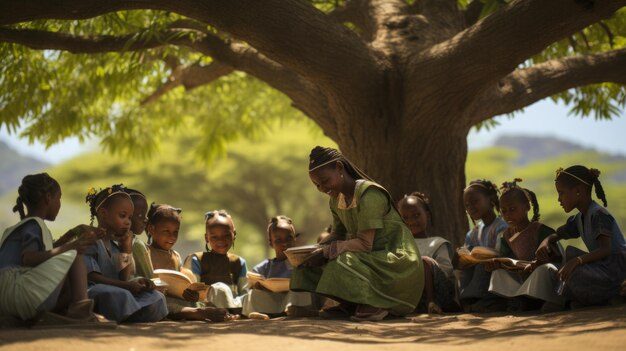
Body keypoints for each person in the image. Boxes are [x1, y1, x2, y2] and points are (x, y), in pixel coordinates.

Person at [291, 146, 423, 322]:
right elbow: (337, 234)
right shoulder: (335, 200)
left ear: (339, 168)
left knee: (340, 260)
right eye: (317, 185)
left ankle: (377, 303)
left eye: (324, 181)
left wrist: (325, 251)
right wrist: (309, 252)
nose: (321, 188)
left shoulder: (369, 195)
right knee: (307, 264)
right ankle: (350, 304)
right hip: (368, 259)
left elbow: (365, 244)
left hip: (395, 263)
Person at [0, 173, 104, 323]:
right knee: (74, 255)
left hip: (6, 297)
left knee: (69, 272)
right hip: (19, 293)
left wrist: (72, 233)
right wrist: (72, 246)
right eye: (59, 197)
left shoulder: (23, 226)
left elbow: (46, 254)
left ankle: (59, 313)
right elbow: (29, 258)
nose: (60, 203)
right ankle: (81, 311)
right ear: (48, 198)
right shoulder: (34, 224)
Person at [536, 166, 626, 307]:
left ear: (578, 191)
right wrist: (545, 242)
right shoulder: (579, 218)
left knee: (574, 271)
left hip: (617, 269)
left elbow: (606, 250)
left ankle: (616, 294)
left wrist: (576, 261)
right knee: (570, 252)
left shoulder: (598, 214)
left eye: (561, 193)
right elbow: (557, 235)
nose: (559, 199)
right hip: (603, 267)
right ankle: (581, 299)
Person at [84, 184, 168, 323]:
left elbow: (123, 278)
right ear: (104, 214)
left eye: (130, 217)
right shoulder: (91, 240)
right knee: (119, 295)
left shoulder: (116, 245)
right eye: (122, 216)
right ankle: (133, 313)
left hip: (120, 289)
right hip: (94, 291)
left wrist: (126, 249)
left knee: (156, 297)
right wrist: (126, 286)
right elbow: (92, 276)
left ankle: (129, 313)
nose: (128, 222)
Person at [147, 204, 236, 322]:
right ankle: (198, 313)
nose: (171, 237)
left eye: (175, 232)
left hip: (176, 300)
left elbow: (179, 284)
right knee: (159, 300)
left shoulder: (176, 256)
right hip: (158, 298)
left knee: (201, 302)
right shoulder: (146, 252)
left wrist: (190, 293)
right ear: (151, 229)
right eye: (166, 231)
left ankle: (201, 311)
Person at [485, 179, 563, 312]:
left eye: (512, 209)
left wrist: (538, 263)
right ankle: (521, 299)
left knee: (544, 270)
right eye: (503, 211)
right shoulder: (506, 236)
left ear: (527, 206)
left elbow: (558, 257)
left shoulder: (540, 230)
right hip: (523, 275)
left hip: (540, 274)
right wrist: (497, 264)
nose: (508, 214)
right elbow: (507, 260)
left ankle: (536, 300)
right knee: (498, 273)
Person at [242, 215, 315, 318]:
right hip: (272, 300)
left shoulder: (302, 262)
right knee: (253, 294)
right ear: (271, 243)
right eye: (278, 240)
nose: (284, 243)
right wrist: (257, 286)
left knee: (299, 293)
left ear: (294, 239)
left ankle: (294, 311)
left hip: (292, 300)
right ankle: (263, 314)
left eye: (288, 238)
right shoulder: (264, 267)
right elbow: (250, 285)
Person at [398, 192, 459, 314]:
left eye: (416, 215)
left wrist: (425, 267)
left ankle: (432, 304)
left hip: (439, 293)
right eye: (405, 218)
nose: (411, 221)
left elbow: (446, 272)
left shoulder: (438, 243)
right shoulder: (399, 245)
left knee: (424, 261)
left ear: (427, 215)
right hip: (411, 293)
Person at [457, 179, 508, 312]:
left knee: (482, 266)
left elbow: (502, 251)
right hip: (480, 272)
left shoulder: (501, 226)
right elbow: (467, 253)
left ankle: (489, 301)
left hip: (497, 268)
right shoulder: (473, 233)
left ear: (490, 199)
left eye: (475, 201)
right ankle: (468, 300)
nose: (471, 207)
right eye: (467, 205)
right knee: (464, 270)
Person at [183, 210, 248, 312]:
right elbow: (192, 291)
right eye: (214, 237)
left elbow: (244, 294)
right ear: (206, 238)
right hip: (206, 308)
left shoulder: (239, 262)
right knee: (219, 289)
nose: (221, 240)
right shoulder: (196, 260)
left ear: (234, 234)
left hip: (233, 308)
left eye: (226, 235)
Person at [124, 188, 154, 279]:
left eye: (145, 215)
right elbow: (149, 277)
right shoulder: (137, 245)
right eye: (140, 215)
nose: (146, 220)